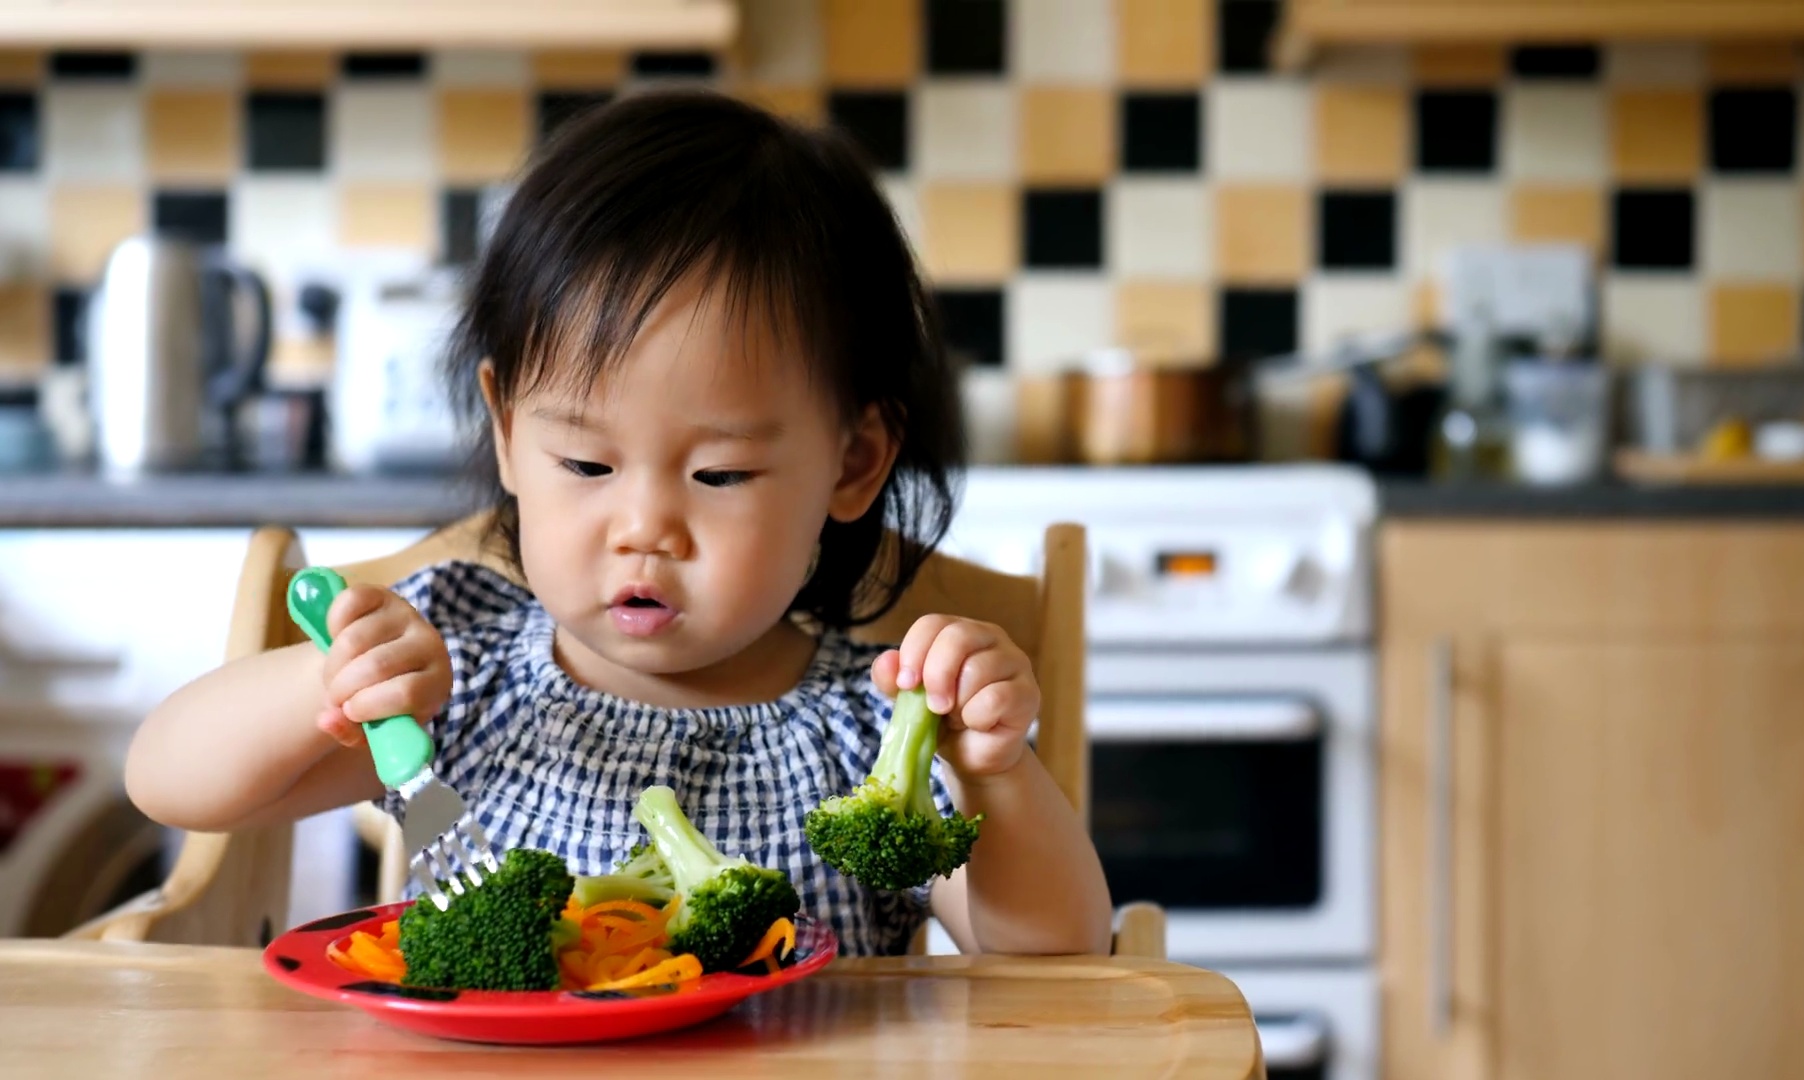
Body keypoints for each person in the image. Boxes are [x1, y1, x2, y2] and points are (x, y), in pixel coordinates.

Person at [126, 90, 1113, 958]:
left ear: (851, 464)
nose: (646, 528)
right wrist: (326, 682)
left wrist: (997, 776)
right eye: (588, 464)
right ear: (509, 435)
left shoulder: (868, 736)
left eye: (720, 474)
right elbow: (168, 781)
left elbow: (1056, 955)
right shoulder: (455, 680)